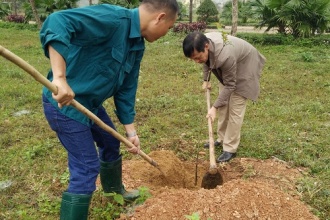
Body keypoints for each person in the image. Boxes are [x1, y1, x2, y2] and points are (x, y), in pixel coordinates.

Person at [39, 1, 178, 219]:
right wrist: (59, 78)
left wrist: (131, 132)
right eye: (169, 28)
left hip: (90, 105)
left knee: (111, 142)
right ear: (160, 18)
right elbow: (58, 21)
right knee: (86, 166)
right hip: (65, 107)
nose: (166, 33)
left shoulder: (137, 45)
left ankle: (114, 192)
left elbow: (126, 89)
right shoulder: (112, 19)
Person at [182, 31, 266, 163]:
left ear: (206, 47)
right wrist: (206, 79)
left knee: (235, 109)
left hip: (246, 64)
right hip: (229, 66)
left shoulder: (225, 55)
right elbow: (206, 61)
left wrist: (213, 107)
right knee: (224, 106)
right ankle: (221, 139)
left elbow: (230, 85)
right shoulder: (202, 42)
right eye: (193, 59)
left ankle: (230, 148)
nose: (197, 61)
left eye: (198, 57)